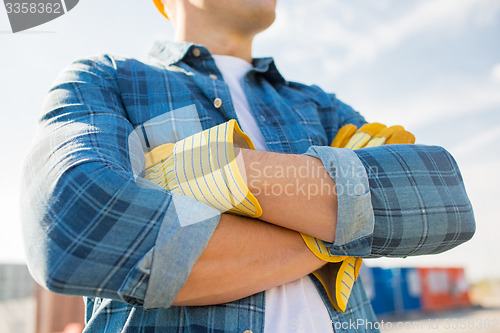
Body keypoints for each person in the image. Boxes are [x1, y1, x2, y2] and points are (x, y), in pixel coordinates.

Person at [21, 0, 476, 332]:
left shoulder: (319, 105)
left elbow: (442, 201)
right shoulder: (105, 79)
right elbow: (74, 227)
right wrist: (346, 227)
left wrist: (212, 172)